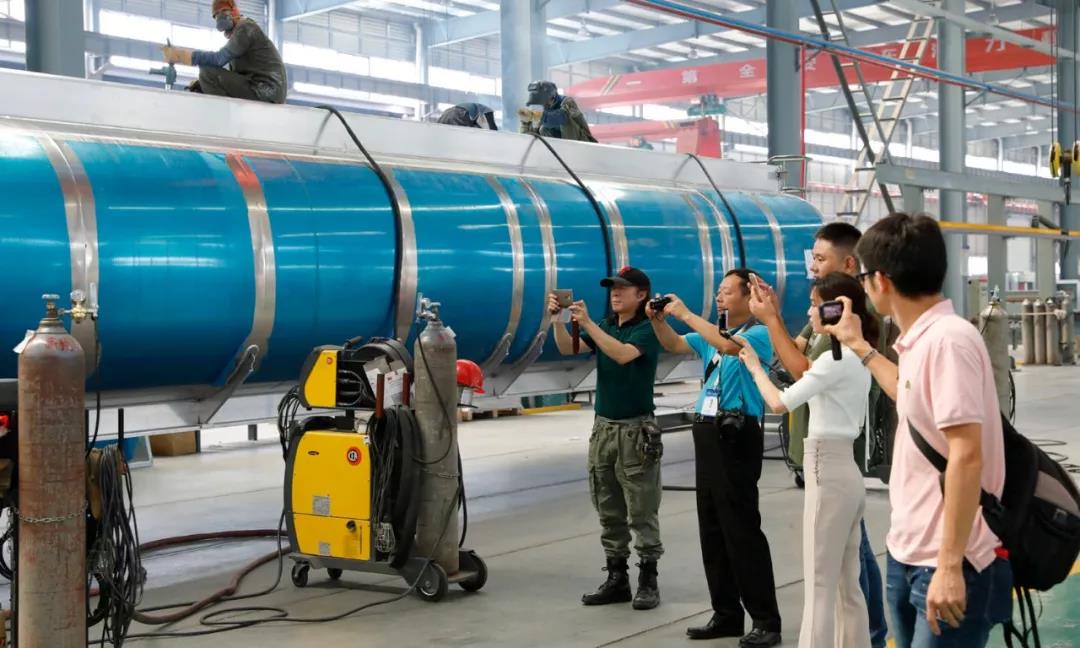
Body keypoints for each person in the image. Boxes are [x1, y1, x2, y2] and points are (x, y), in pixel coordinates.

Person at [825, 212, 1012, 647]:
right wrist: (859, 346)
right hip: (910, 550)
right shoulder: (922, 339)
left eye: (864, 276)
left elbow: (966, 454)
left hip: (948, 559)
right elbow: (908, 395)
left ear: (880, 280)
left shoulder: (948, 341)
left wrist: (949, 565)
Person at [747, 222, 891, 648]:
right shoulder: (853, 349)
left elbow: (782, 399)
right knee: (847, 583)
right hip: (845, 471)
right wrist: (773, 318)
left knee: (821, 584)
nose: (810, 312)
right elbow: (796, 352)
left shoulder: (834, 354)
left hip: (826, 469)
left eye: (815, 306)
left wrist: (754, 364)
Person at [647, 269, 782, 648]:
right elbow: (675, 344)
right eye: (718, 291)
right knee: (712, 527)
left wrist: (686, 313)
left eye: (727, 292)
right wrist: (658, 321)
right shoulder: (712, 335)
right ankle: (726, 613)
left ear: (749, 298)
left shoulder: (759, 334)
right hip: (707, 430)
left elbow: (728, 347)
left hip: (737, 433)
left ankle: (766, 620)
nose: (719, 297)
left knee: (741, 528)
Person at [547, 266, 663, 610]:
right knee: (608, 506)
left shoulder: (648, 328)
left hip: (636, 431)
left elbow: (623, 354)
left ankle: (648, 579)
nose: (615, 293)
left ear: (641, 294)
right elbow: (568, 348)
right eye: (612, 288)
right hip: (605, 428)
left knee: (641, 509)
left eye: (622, 289)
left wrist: (589, 324)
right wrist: (557, 320)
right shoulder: (607, 325)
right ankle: (617, 578)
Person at [161, 0, 287, 104]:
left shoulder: (246, 28)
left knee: (207, 71)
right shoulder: (238, 36)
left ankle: (222, 115)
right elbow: (234, 76)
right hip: (261, 88)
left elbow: (219, 59)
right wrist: (202, 84)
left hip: (266, 89)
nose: (220, 17)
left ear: (235, 11)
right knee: (204, 82)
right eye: (216, 15)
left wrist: (183, 56)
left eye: (223, 11)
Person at [518, 80, 597, 143]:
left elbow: (559, 118)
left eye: (543, 102)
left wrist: (535, 115)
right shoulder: (545, 111)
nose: (543, 105)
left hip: (582, 142)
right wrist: (525, 123)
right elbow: (533, 136)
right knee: (543, 129)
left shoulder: (568, 102)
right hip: (563, 150)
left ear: (552, 97)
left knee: (564, 122)